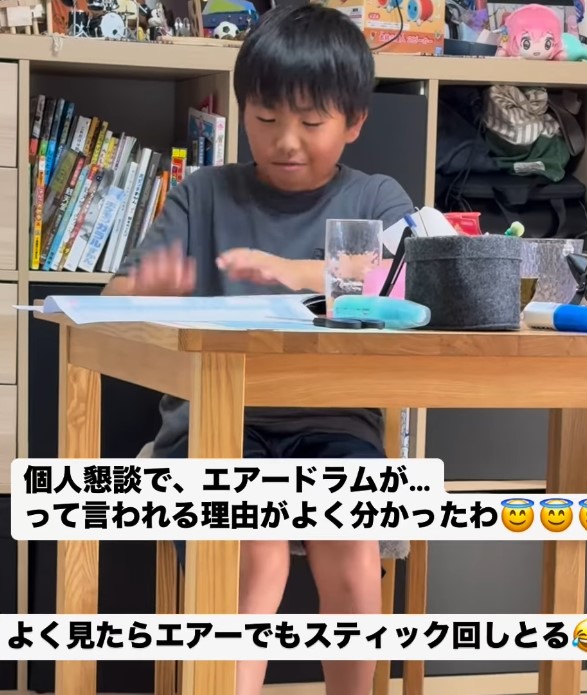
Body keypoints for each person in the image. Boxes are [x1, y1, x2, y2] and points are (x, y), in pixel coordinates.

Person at [103, 4, 414, 693]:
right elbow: (113, 298)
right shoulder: (204, 193)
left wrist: (295, 271)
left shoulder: (377, 199)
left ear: (354, 122)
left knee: (351, 545)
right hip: (215, 427)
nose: (286, 142)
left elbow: (407, 282)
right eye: (266, 118)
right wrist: (145, 288)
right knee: (255, 546)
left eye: (311, 123)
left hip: (335, 426)